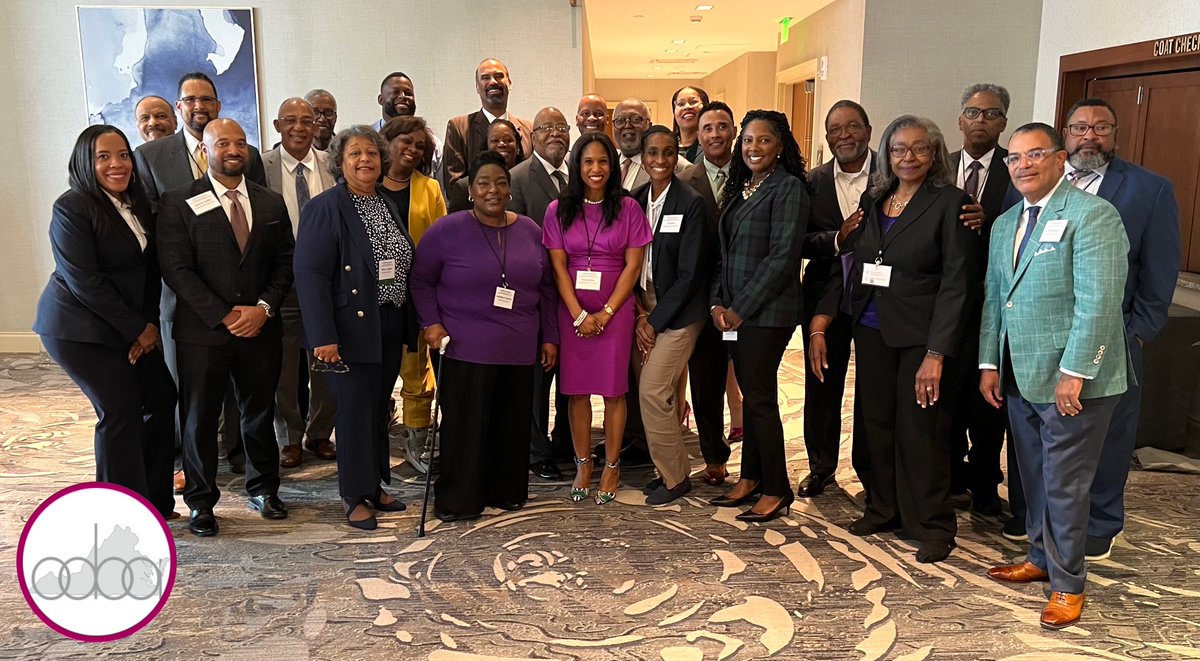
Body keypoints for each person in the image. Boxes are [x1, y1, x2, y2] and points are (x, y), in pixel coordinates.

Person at [1005, 99, 1181, 559]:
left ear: (1115, 134)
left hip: (1112, 337)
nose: (1090, 135)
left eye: (1101, 127)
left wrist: (1136, 331)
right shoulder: (1030, 181)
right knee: (1038, 443)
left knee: (1108, 440)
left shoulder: (1148, 189)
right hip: (1039, 342)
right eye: (1079, 127)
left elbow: (1160, 269)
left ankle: (1099, 525)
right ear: (1064, 137)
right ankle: (1035, 525)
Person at [982, 122, 1129, 629]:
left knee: (1066, 485)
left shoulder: (1092, 215)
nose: (1022, 165)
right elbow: (996, 299)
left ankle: (1068, 584)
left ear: (1060, 159)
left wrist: (1076, 371)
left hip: (1074, 382)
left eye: (1035, 154)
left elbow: (1100, 301)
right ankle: (1040, 557)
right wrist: (988, 363)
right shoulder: (1006, 223)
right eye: (1014, 158)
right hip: (1021, 374)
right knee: (1033, 477)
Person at [817, 115, 980, 563]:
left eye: (919, 148)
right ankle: (883, 508)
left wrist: (936, 352)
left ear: (934, 153)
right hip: (872, 329)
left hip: (921, 338)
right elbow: (859, 259)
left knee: (921, 430)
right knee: (877, 424)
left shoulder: (951, 203)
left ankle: (932, 524)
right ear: (887, 154)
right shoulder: (875, 199)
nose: (908, 157)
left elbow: (957, 283)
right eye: (898, 149)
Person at [157, 118, 295, 537]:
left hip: (261, 329)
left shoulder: (271, 203)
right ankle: (201, 502)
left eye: (240, 142)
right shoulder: (179, 201)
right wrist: (224, 315)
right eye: (223, 143)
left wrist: (264, 308)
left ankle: (264, 489)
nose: (233, 150)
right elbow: (176, 269)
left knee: (260, 413)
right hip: (203, 332)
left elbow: (285, 261)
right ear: (206, 150)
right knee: (199, 419)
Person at [33, 125, 177, 519]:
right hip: (78, 329)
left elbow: (149, 272)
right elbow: (85, 282)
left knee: (162, 397)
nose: (117, 164)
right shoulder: (71, 208)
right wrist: (137, 330)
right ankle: (120, 512)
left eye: (123, 155)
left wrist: (147, 326)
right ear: (85, 162)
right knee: (120, 409)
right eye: (104, 157)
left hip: (131, 324)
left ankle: (155, 502)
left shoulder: (137, 202)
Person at [135, 71, 268, 490]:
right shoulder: (150, 156)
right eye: (190, 100)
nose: (199, 106)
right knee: (193, 398)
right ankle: (189, 471)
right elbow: (152, 228)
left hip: (244, 302)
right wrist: (213, 307)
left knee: (244, 394)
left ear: (218, 104)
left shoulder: (247, 155)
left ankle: (238, 456)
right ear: (179, 107)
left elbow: (259, 223)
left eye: (206, 99)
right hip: (187, 302)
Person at [411, 151, 559, 521]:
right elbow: (421, 281)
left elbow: (547, 288)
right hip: (463, 348)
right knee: (466, 427)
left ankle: (505, 491)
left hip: (519, 347)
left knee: (510, 424)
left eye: (500, 183)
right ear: (471, 191)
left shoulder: (530, 230)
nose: (493, 190)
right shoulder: (447, 230)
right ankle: (459, 498)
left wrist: (550, 337)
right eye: (484, 183)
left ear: (509, 190)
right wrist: (431, 324)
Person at [294, 125, 417, 531]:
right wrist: (323, 336)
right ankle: (355, 495)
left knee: (378, 409)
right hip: (348, 328)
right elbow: (310, 275)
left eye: (372, 153)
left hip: (388, 321)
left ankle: (376, 485)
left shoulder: (386, 203)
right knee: (353, 413)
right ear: (339, 162)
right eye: (355, 154)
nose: (365, 159)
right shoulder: (325, 206)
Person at [709, 109, 810, 522]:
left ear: (780, 146)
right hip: (736, 312)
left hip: (768, 314)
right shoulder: (743, 188)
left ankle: (776, 488)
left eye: (764, 140)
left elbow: (782, 258)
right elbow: (725, 253)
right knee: (753, 396)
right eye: (748, 140)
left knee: (762, 399)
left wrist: (740, 309)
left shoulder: (788, 188)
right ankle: (750, 477)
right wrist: (718, 303)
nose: (754, 148)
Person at [542, 133, 652, 505]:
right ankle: (584, 463)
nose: (595, 169)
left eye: (603, 161)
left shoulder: (629, 208)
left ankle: (612, 465)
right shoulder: (558, 209)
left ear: (613, 165)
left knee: (614, 391)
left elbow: (633, 265)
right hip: (572, 313)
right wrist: (578, 315)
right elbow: (558, 267)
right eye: (588, 161)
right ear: (577, 166)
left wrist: (605, 313)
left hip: (615, 313)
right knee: (576, 391)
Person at [630, 126, 712, 505]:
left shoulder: (691, 203)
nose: (660, 160)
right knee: (654, 392)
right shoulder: (635, 199)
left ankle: (676, 479)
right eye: (652, 152)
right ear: (643, 157)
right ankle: (668, 468)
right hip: (644, 304)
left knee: (652, 389)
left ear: (677, 155)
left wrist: (653, 321)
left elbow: (690, 275)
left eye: (667, 152)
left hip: (681, 311)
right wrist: (639, 312)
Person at [801, 100, 875, 498]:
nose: (844, 135)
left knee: (873, 386)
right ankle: (821, 467)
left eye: (852, 127)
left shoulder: (891, 173)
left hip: (879, 298)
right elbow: (799, 240)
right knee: (822, 383)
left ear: (868, 130)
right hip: (823, 297)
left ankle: (870, 469)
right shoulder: (811, 182)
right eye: (835, 129)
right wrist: (836, 239)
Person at [946, 83, 1014, 515]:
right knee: (947, 395)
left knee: (988, 401)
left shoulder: (1017, 168)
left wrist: (990, 223)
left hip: (996, 305)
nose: (980, 121)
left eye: (991, 114)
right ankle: (953, 476)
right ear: (960, 120)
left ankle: (987, 481)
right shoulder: (940, 167)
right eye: (973, 112)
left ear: (1003, 122)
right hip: (945, 304)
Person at [262, 97, 337, 468]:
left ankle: (320, 432)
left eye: (307, 120)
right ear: (277, 126)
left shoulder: (333, 164)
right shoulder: (261, 166)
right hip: (282, 281)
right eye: (290, 120)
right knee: (284, 366)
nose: (299, 127)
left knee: (327, 359)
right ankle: (289, 437)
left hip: (327, 280)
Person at [378, 115, 449, 473]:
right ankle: (371, 438)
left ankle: (416, 438)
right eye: (405, 141)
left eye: (420, 146)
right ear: (388, 141)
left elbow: (442, 242)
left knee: (417, 367)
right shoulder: (366, 183)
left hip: (416, 291)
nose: (412, 149)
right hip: (372, 294)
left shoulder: (430, 188)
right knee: (374, 368)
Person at [678, 101, 744, 485]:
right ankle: (714, 456)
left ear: (733, 131)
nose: (715, 134)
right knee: (705, 382)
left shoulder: (753, 174)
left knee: (754, 382)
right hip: (703, 299)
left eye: (722, 126)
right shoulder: (684, 181)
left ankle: (758, 462)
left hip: (749, 296)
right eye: (708, 128)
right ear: (698, 135)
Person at [509, 107, 572, 480]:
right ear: (532, 137)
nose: (555, 134)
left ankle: (565, 440)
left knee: (571, 374)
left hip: (577, 295)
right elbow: (514, 239)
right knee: (537, 379)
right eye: (547, 127)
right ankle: (535, 451)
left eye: (561, 127)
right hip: (536, 295)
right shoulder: (518, 178)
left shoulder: (579, 175)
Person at [442, 59, 534, 184]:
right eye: (485, 78)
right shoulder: (459, 127)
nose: (493, 82)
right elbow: (455, 185)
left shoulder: (529, 129)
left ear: (510, 83)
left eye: (499, 76)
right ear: (477, 87)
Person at [373, 72, 443, 180]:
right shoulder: (369, 137)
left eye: (408, 93)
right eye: (395, 92)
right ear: (381, 99)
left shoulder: (432, 143)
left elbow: (441, 187)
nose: (403, 96)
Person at [447, 118, 525, 213]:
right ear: (486, 146)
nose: (502, 144)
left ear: (518, 146)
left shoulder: (527, 181)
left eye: (508, 140)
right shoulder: (463, 187)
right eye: (495, 140)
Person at [671, 86, 710, 163]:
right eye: (681, 104)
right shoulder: (667, 147)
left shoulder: (712, 147)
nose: (687, 107)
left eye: (693, 102)